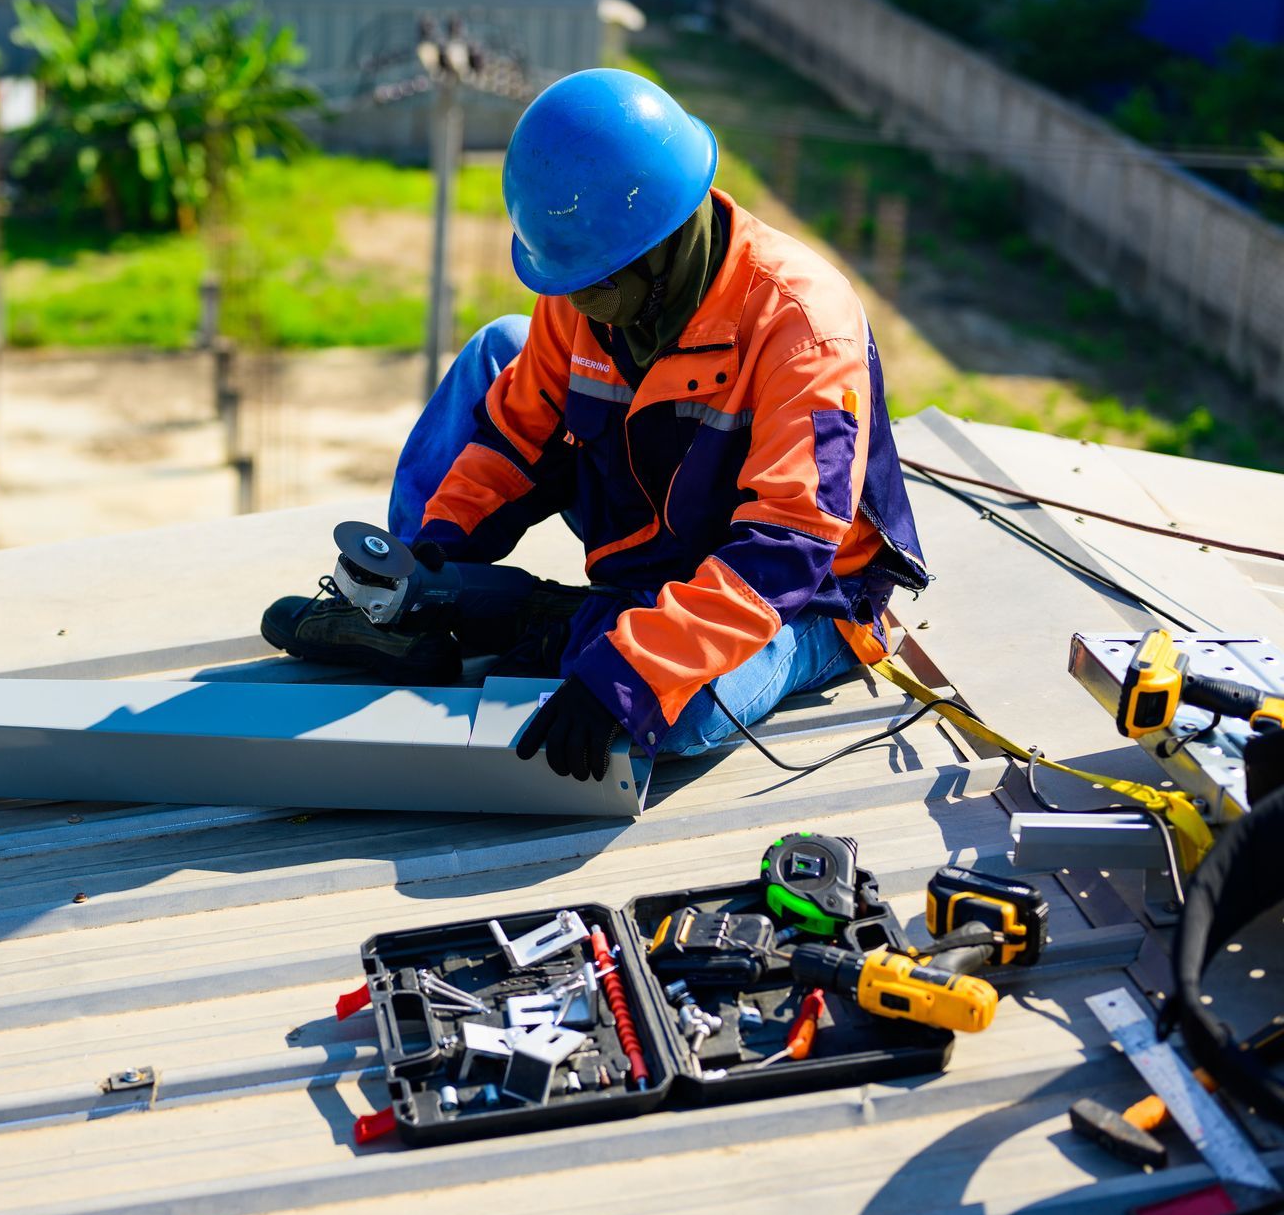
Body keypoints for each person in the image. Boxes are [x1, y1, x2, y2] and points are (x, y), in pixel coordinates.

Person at [262, 68, 930, 783]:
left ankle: (565, 624)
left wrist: (632, 672)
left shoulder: (801, 326)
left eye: (592, 287)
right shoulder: (588, 288)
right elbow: (518, 436)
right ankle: (412, 609)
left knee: (672, 713)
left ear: (661, 251)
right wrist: (438, 547)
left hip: (803, 599)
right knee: (500, 348)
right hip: (652, 537)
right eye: (565, 284)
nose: (574, 304)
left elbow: (784, 551)